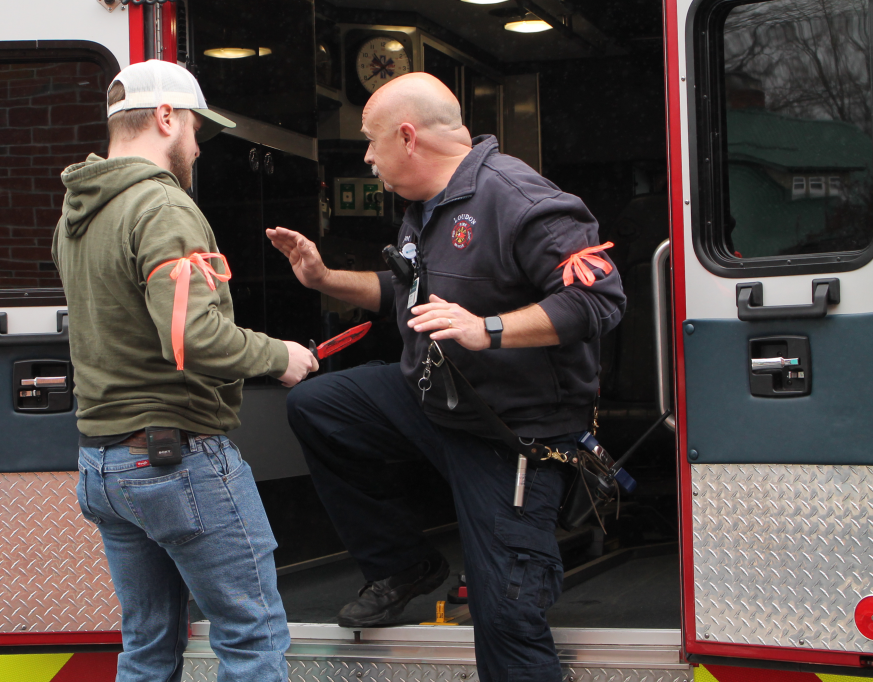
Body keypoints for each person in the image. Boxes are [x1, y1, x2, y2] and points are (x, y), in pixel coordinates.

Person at [268, 72, 626, 682]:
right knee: (319, 405)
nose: (365, 155)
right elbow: (403, 292)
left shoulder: (516, 196)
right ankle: (403, 565)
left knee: (505, 615)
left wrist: (486, 328)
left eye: (370, 140)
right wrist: (325, 278)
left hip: (510, 435)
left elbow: (600, 301)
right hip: (437, 403)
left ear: (407, 137)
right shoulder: (425, 206)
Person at [52, 59, 317, 682]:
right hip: (175, 461)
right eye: (196, 127)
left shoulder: (78, 216)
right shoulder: (162, 208)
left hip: (104, 468)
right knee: (251, 638)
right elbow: (193, 336)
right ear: (166, 117)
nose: (198, 146)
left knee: (147, 648)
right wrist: (282, 357)